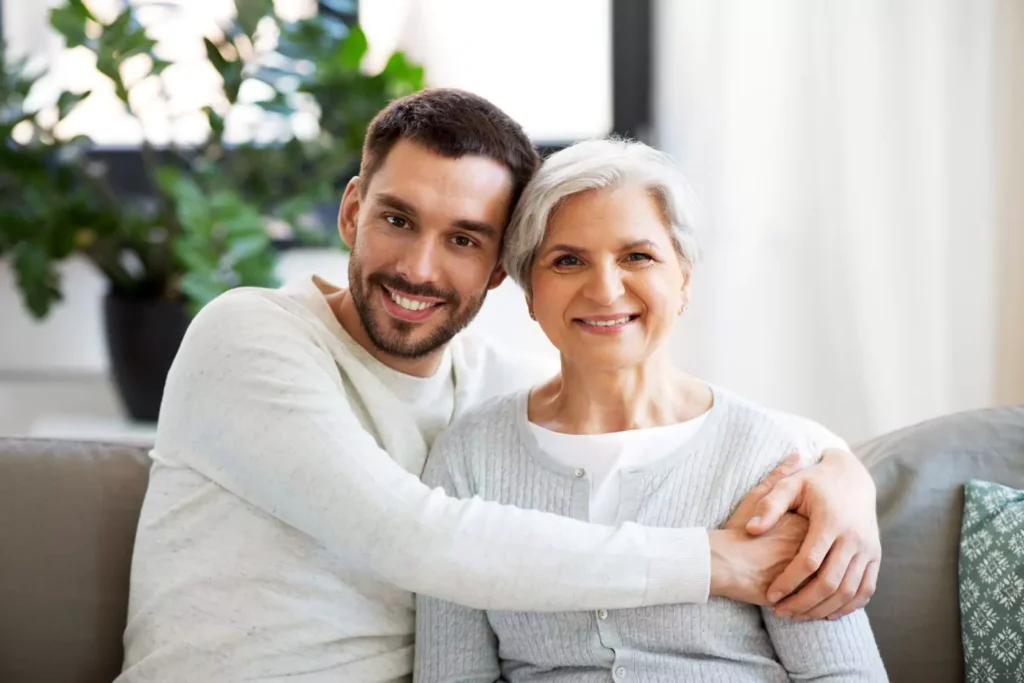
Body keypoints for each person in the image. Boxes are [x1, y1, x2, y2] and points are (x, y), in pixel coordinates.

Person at [118, 89, 880, 683]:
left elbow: (690, 424)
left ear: (498, 269)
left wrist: (842, 475)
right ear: (352, 212)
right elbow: (412, 535)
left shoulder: (487, 388)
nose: (419, 267)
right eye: (397, 219)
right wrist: (715, 561)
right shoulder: (248, 334)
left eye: (462, 239)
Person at [414, 138, 887, 682]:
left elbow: (843, 675)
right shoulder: (469, 458)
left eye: (637, 256)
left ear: (682, 279)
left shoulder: (772, 462)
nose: (605, 288)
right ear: (529, 294)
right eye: (567, 260)